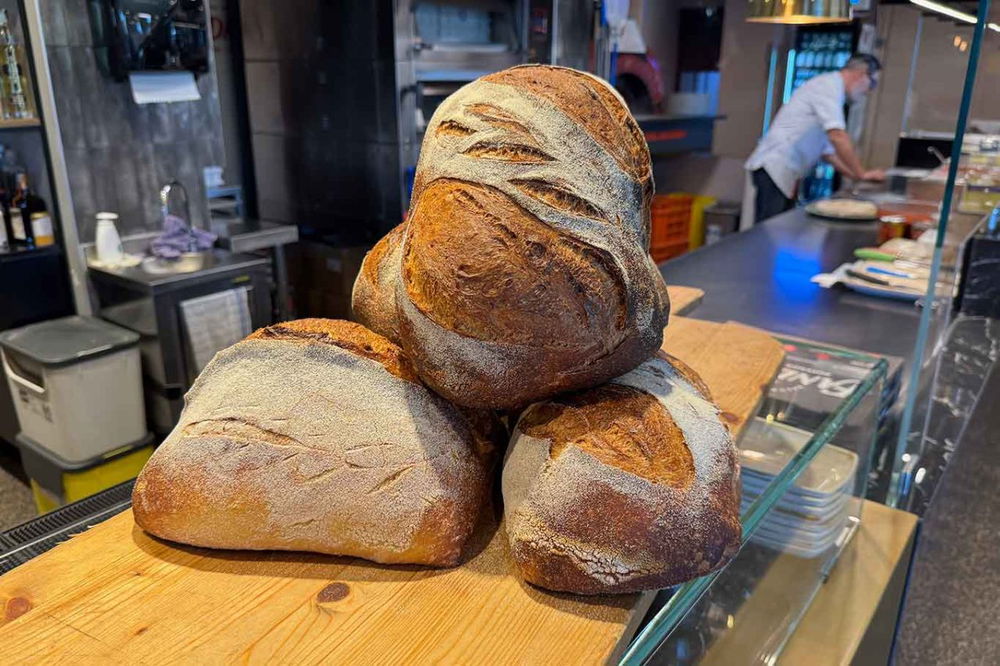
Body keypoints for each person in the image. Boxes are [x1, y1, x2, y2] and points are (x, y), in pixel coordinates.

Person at [746, 54, 886, 223]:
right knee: (767, 231)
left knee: (778, 229)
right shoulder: (828, 87)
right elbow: (837, 136)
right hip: (773, 167)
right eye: (872, 83)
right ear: (861, 74)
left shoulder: (834, 92)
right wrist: (861, 173)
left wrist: (854, 176)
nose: (869, 91)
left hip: (785, 172)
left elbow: (828, 153)